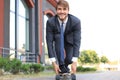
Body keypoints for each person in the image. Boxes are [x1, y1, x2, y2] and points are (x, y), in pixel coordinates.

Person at [46, 0, 81, 78]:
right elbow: (49, 42)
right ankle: (61, 67)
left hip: (70, 41)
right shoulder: (50, 22)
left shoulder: (76, 22)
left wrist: (74, 62)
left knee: (69, 59)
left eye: (64, 9)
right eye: (59, 9)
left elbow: (77, 41)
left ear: (68, 10)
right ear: (56, 10)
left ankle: (65, 66)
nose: (62, 12)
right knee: (58, 37)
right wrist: (54, 63)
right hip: (58, 40)